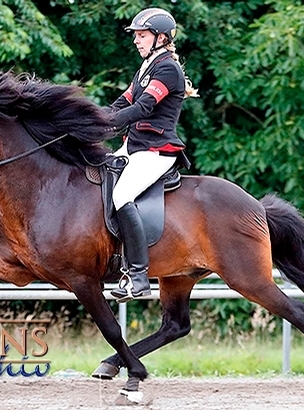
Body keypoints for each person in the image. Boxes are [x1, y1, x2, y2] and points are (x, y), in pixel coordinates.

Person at [105, 7, 198, 303]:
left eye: (142, 35)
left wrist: (108, 122)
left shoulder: (168, 68)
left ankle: (138, 275)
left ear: (160, 38)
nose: (136, 40)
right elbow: (124, 101)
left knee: (122, 196)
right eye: (136, 36)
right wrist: (93, 118)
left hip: (155, 151)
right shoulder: (146, 67)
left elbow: (143, 107)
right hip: (135, 147)